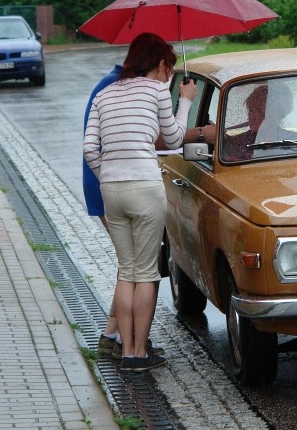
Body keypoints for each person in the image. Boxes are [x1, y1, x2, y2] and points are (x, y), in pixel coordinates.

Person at [84, 32, 198, 372]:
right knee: (146, 273)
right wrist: (186, 100)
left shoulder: (104, 94)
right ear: (160, 63)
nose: (168, 75)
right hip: (145, 188)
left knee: (127, 272)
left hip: (112, 192)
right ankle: (135, 353)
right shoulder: (157, 91)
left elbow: (90, 148)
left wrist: (107, 175)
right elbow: (175, 138)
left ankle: (125, 348)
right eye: (168, 68)